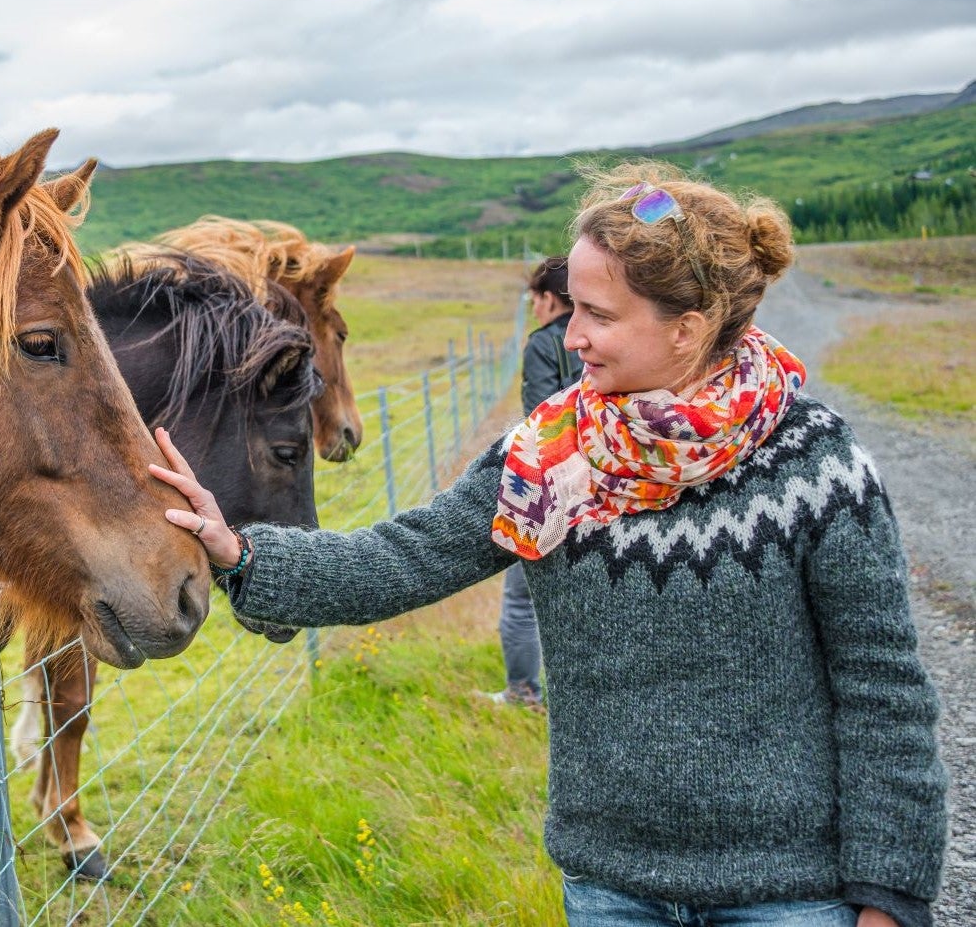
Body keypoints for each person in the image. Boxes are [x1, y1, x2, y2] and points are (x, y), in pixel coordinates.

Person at [150, 163, 945, 927]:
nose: (571, 339)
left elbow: (882, 688)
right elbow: (404, 558)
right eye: (573, 311)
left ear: (687, 327)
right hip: (611, 890)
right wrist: (241, 551)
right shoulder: (552, 456)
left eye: (597, 316)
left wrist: (889, 890)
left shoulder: (815, 464)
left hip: (792, 895)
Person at [491, 255, 583, 709]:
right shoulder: (605, 336)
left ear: (549, 299)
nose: (534, 308)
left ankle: (523, 693)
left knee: (522, 602)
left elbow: (539, 423)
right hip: (608, 487)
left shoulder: (544, 344)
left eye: (535, 299)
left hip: (552, 490)